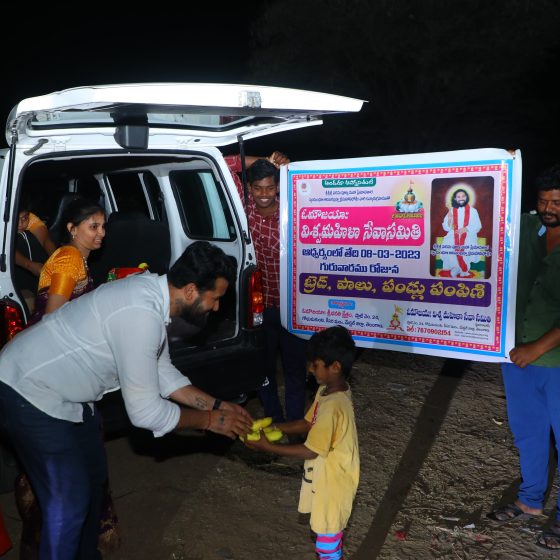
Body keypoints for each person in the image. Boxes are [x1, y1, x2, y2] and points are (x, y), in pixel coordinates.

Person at [0, 240, 253, 560]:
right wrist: (209, 422)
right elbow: (145, 412)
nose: (216, 308)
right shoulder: (141, 314)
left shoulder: (151, 295)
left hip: (68, 397)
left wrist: (217, 405)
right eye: (215, 299)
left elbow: (161, 371)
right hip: (27, 389)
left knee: (92, 481)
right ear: (191, 291)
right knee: (69, 500)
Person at [15, 197, 118, 559]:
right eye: (94, 226)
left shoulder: (71, 256)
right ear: (73, 229)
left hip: (59, 370)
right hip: (60, 372)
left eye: (104, 226)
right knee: (70, 473)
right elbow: (54, 317)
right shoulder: (70, 258)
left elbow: (56, 274)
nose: (101, 233)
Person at [486, 164, 560, 553]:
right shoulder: (525, 231)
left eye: (557, 202)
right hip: (516, 357)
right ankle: (530, 500)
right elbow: (492, 206)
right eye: (543, 200)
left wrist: (536, 348)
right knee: (528, 432)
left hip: (553, 360)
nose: (549, 207)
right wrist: (502, 167)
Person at [244, 325, 359, 560]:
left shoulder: (334, 407)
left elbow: (310, 451)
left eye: (315, 364)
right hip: (328, 477)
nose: (309, 369)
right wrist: (274, 427)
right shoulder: (328, 390)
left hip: (334, 484)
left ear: (335, 366)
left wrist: (267, 446)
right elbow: (307, 423)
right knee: (326, 537)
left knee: (327, 541)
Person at [225, 153, 309, 425]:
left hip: (291, 308)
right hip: (258, 308)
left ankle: (294, 423)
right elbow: (227, 163)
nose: (264, 194)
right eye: (258, 188)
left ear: (278, 187)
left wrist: (285, 169)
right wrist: (266, 159)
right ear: (249, 189)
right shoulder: (244, 208)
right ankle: (274, 418)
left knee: (295, 370)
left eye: (270, 187)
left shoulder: (292, 211)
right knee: (263, 369)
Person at [14, 199, 56, 309]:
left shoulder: (31, 218)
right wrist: (30, 265)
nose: (21, 223)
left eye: (24, 218)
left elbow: (46, 240)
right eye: (16, 219)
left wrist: (58, 263)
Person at [440, 186, 482, 277]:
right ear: (455, 199)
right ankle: (453, 268)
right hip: (453, 234)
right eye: (458, 197)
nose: (461, 198)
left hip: (468, 234)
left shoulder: (473, 211)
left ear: (466, 197)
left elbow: (478, 225)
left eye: (463, 196)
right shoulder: (451, 210)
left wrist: (465, 229)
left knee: (466, 245)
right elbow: (446, 228)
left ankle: (462, 269)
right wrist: (450, 218)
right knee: (448, 244)